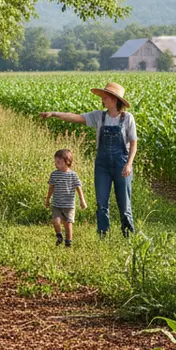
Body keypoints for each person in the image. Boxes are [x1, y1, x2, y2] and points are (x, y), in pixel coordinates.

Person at [39, 82, 137, 238]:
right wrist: (54, 114)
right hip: (102, 165)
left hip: (122, 164)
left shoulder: (128, 118)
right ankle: (103, 235)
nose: (102, 99)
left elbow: (133, 144)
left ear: (114, 99)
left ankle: (128, 235)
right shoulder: (99, 116)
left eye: (105, 96)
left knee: (124, 204)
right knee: (101, 203)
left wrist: (129, 164)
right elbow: (76, 117)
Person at [45, 148, 87, 247]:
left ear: (67, 162)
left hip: (69, 205)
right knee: (56, 221)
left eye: (58, 162)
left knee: (68, 224)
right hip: (57, 204)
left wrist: (82, 200)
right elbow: (51, 188)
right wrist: (48, 199)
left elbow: (78, 188)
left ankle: (68, 242)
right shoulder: (54, 174)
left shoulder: (73, 175)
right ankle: (59, 236)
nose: (56, 164)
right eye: (55, 162)